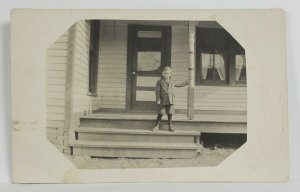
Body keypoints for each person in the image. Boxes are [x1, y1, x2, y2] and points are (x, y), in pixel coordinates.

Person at [152, 66, 189, 132]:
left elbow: (180, 84)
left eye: (167, 73)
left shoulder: (172, 81)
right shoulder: (159, 82)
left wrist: (187, 82)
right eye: (164, 73)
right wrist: (158, 99)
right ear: (162, 74)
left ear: (170, 74)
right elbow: (157, 91)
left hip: (171, 100)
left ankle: (170, 126)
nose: (166, 75)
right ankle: (157, 125)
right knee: (160, 113)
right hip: (163, 100)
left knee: (170, 113)